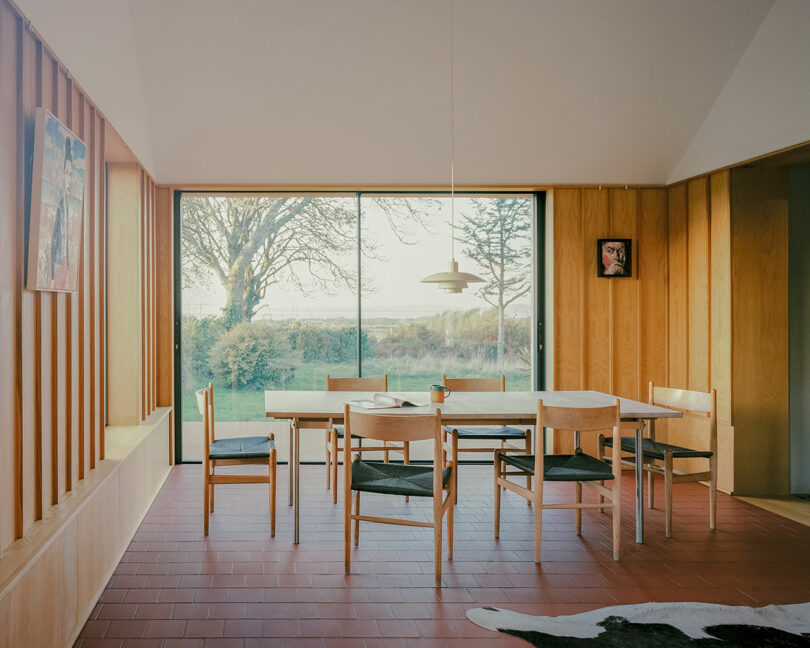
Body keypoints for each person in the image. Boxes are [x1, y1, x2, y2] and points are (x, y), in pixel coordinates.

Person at [50, 137, 73, 286]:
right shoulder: (59, 203)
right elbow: (53, 237)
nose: (68, 178)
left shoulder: (69, 203)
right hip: (58, 261)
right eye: (66, 172)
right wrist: (52, 273)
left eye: (70, 174)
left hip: (65, 262)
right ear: (61, 173)